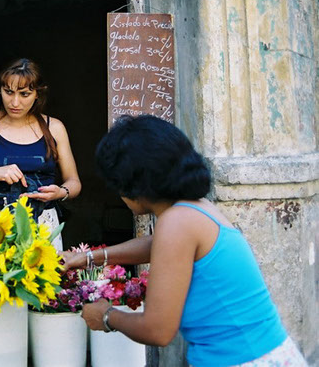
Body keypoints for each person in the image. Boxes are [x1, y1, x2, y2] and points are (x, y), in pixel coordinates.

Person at [63, 115, 307, 366]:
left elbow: (157, 330)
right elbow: (154, 245)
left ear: (133, 183)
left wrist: (106, 315)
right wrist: (88, 257)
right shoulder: (195, 210)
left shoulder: (177, 222)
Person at [0, 58, 81, 250]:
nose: (15, 102)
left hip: (44, 222)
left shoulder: (54, 127)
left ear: (38, 94)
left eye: (24, 94)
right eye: (8, 92)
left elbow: (74, 182)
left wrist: (60, 192)